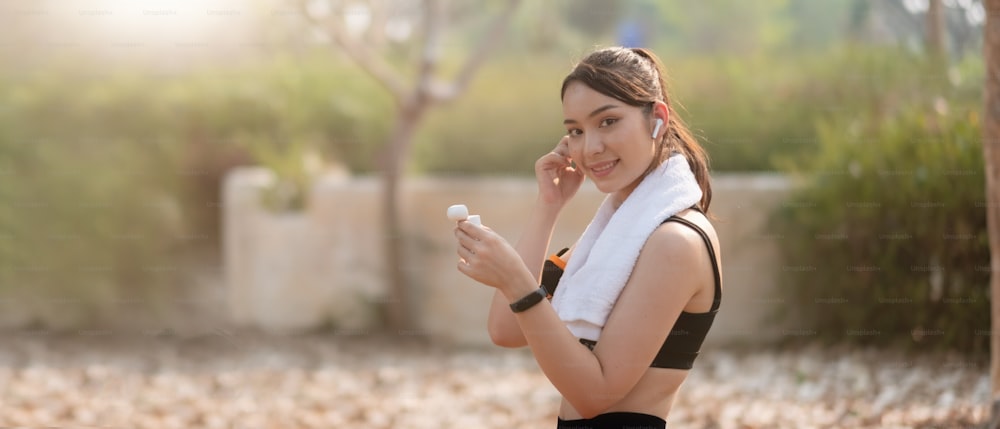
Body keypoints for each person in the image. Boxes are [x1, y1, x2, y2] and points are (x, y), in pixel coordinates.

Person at [453, 46, 722, 429]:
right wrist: (548, 206)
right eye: (575, 131)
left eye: (608, 121)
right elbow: (506, 330)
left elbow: (594, 394)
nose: (590, 147)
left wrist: (515, 280)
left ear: (657, 119)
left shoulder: (674, 242)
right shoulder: (615, 233)